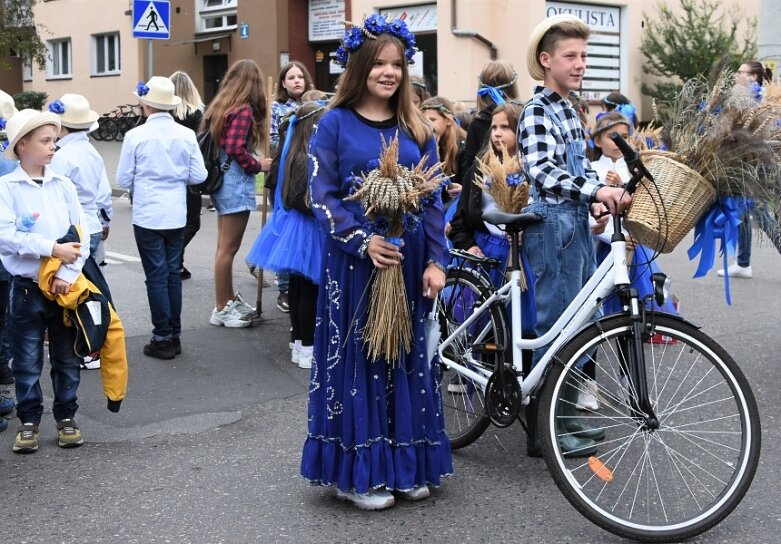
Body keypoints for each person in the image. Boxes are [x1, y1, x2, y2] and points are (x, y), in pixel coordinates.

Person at [301, 14, 453, 511]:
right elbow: (322, 198)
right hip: (356, 267)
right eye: (379, 63)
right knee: (360, 364)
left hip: (407, 266)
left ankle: (406, 464)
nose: (389, 72)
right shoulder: (334, 123)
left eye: (397, 63)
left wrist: (437, 262)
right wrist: (362, 240)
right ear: (360, 65)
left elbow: (432, 200)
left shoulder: (417, 127)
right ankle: (357, 474)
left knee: (408, 359)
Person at [520, 14, 632, 457]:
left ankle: (562, 418)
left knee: (579, 322)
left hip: (573, 224)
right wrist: (595, 190)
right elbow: (541, 170)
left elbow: (579, 168)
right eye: (570, 56)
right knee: (556, 324)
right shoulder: (536, 110)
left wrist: (596, 200)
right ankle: (545, 428)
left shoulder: (569, 108)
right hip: (550, 224)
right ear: (546, 60)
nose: (580, 63)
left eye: (584, 56)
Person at [0, 109, 89, 452]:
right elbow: (6, 236)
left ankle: (66, 416)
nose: (54, 147)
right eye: (46, 140)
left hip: (62, 289)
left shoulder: (63, 184)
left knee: (66, 357)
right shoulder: (7, 188)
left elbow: (80, 233)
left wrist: (67, 274)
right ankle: (28, 421)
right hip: (25, 288)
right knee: (25, 360)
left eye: (55, 140)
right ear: (22, 145)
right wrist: (52, 248)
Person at [117, 76, 207, 359]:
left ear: (146, 104)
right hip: (176, 213)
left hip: (147, 214)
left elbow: (122, 177)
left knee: (156, 276)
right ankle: (174, 333)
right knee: (171, 275)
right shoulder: (186, 134)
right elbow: (199, 175)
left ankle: (162, 336)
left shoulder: (135, 136)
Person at [245, 101, 327, 370]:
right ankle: (307, 347)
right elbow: (298, 198)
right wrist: (325, 210)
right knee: (308, 291)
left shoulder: (294, 152)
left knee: (299, 288)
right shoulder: (305, 157)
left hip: (298, 228)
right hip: (307, 229)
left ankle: (297, 341)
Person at [202, 59, 271, 328]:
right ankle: (221, 307)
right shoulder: (243, 111)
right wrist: (259, 165)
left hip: (223, 182)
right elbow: (235, 147)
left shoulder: (223, 107)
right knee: (228, 249)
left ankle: (227, 299)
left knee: (223, 247)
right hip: (234, 183)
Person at [49, 93, 114, 370]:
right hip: (93, 223)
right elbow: (104, 193)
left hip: (73, 229)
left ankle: (87, 346)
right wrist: (105, 220)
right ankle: (94, 344)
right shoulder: (91, 151)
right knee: (93, 285)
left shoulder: (61, 157)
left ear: (61, 126)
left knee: (76, 290)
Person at [718, 60, 781, 278]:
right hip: (745, 162)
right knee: (743, 210)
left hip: (758, 164)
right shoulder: (746, 98)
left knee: (758, 211)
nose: (737, 75)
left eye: (741, 72)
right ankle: (743, 263)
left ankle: (743, 262)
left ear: (753, 77)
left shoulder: (758, 99)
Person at [269, 61, 314, 313]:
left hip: (308, 174)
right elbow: (274, 140)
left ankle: (303, 279)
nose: (296, 80)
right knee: (284, 230)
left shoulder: (316, 104)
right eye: (291, 77)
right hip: (285, 175)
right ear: (283, 83)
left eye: (300, 76)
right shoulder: (278, 108)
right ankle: (285, 288)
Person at [169, 71, 205, 280]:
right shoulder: (197, 115)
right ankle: (175, 260)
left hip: (169, 175)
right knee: (192, 222)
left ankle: (177, 262)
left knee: (176, 222)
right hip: (189, 175)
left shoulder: (167, 114)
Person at [460, 60, 519, 179]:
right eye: (494, 127)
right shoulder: (523, 115)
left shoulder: (478, 122)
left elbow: (469, 165)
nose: (497, 133)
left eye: (505, 127)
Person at [420, 96, 466, 211]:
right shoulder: (423, 144)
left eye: (432, 119)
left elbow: (469, 184)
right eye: (423, 120)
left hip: (455, 212)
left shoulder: (463, 146)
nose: (427, 124)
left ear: (448, 120)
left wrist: (462, 190)